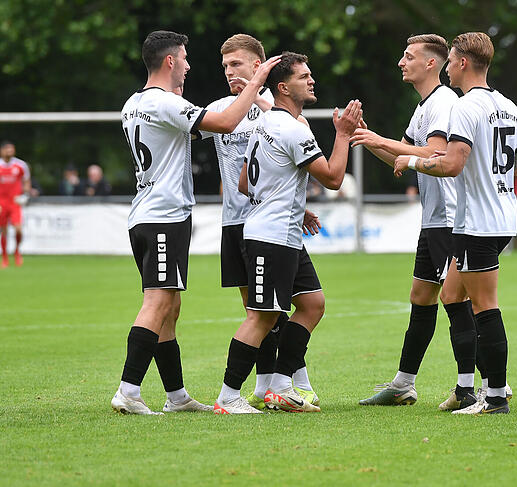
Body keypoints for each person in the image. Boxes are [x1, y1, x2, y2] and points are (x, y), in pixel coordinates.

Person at [111, 30, 280, 415]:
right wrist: (256, 83)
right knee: (157, 302)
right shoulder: (165, 103)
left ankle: (176, 397)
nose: (189, 66)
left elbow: (203, 126)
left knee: (169, 305)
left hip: (145, 213)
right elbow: (224, 123)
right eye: (185, 59)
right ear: (170, 61)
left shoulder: (133, 103)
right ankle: (128, 390)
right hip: (164, 215)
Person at [213, 51, 361, 414]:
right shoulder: (291, 128)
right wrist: (343, 133)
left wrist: (295, 203)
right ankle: (228, 396)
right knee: (261, 317)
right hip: (271, 236)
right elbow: (334, 178)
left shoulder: (263, 124)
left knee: (312, 305)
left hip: (284, 232)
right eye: (303, 76)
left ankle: (281, 385)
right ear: (283, 87)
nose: (311, 80)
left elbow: (246, 183)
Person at [394, 31, 517, 415]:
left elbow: (450, 164)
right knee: (451, 295)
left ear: (463, 62)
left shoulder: (466, 107)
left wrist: (413, 161)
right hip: (501, 215)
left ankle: (495, 396)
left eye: (450, 60)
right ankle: (467, 388)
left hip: (476, 223)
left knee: (484, 305)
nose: (448, 67)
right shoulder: (509, 106)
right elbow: (514, 162)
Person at [198, 34, 319, 411]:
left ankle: (295, 382)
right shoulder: (222, 110)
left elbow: (280, 173)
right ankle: (267, 386)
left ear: (259, 65)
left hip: (270, 221)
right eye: (225, 67)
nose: (230, 72)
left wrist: (298, 209)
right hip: (235, 223)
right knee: (260, 312)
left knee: (281, 308)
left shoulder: (277, 113)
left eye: (237, 64)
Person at [350, 34, 459, 406]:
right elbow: (403, 160)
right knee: (421, 296)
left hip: (451, 219)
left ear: (432, 63)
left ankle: (480, 386)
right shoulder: (424, 106)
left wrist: (379, 138)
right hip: (433, 221)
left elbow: (435, 153)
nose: (401, 62)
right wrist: (369, 139)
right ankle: (403, 384)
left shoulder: (444, 102)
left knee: (458, 300)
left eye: (409, 56)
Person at [0, 141, 30, 268]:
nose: (10, 151)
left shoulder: (20, 165)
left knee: (18, 229)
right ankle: (5, 256)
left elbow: (27, 181)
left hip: (14, 202)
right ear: (2, 151)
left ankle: (17, 251)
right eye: (7, 149)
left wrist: (25, 195)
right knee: (4, 230)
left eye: (12, 149)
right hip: (1, 202)